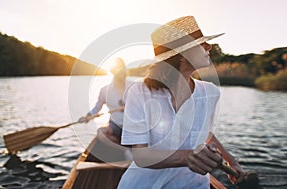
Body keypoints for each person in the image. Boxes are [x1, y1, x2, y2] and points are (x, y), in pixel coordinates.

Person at [118, 16, 245, 188]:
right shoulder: (140, 92)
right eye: (201, 43)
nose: (209, 47)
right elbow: (141, 156)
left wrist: (231, 161)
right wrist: (187, 157)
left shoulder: (210, 92)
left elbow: (205, 132)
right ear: (182, 54)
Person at [78, 57, 130, 144]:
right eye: (118, 70)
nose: (121, 72)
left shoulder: (134, 87)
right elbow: (98, 106)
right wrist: (88, 116)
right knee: (101, 133)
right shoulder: (105, 90)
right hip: (115, 126)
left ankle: (124, 144)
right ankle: (120, 144)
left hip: (133, 127)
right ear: (113, 71)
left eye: (122, 69)